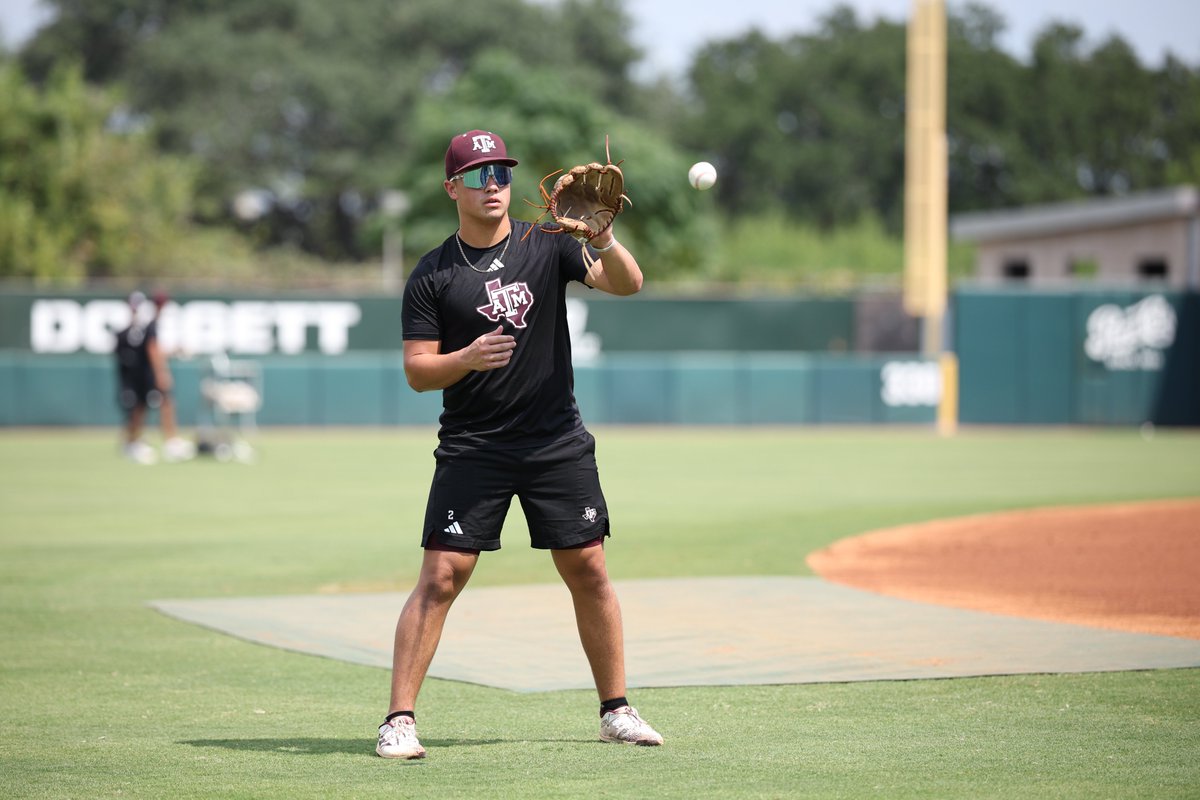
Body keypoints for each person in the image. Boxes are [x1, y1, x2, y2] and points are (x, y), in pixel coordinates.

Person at [376, 130, 663, 759]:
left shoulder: (548, 245)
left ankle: (615, 709)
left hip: (555, 440)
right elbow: (418, 371)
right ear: (453, 188)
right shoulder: (433, 273)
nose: (494, 186)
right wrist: (468, 357)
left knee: (588, 568)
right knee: (442, 576)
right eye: (479, 177)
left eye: (502, 174)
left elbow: (629, 284)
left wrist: (605, 238)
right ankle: (398, 720)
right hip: (474, 446)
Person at [114, 290, 196, 464]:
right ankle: (159, 442)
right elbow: (152, 349)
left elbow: (154, 349)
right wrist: (161, 372)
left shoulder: (144, 325)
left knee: (150, 406)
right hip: (144, 374)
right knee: (151, 406)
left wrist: (171, 352)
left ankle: (141, 441)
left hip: (141, 373)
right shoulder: (145, 325)